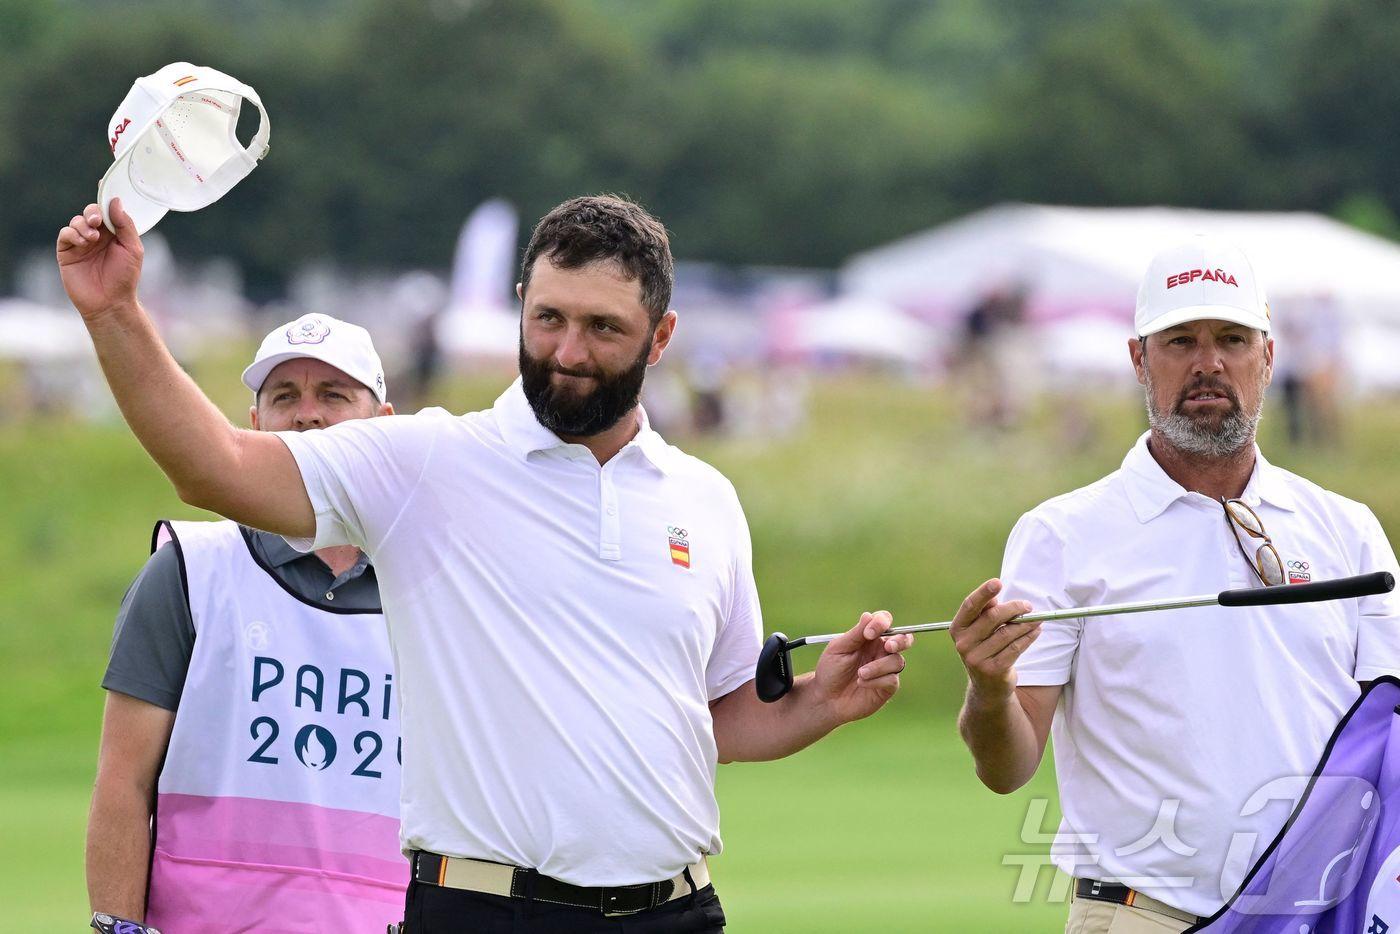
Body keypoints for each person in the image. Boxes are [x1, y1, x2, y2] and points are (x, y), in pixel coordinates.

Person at [58, 194, 912, 933]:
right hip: (486, 912)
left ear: (661, 338)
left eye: (603, 327)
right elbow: (214, 467)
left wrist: (820, 703)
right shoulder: (429, 462)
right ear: (519, 308)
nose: (568, 351)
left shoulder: (706, 501)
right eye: (548, 318)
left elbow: (712, 724)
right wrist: (115, 313)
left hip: (676, 910)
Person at [950, 236, 1400, 932]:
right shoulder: (1063, 534)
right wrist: (989, 689)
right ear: (1139, 359)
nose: (1209, 363)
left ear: (1269, 356)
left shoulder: (1348, 531)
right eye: (1180, 341)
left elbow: (1388, 736)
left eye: (1232, 339)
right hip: (1143, 914)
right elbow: (1007, 765)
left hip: (1315, 916)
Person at [85, 313, 404, 932]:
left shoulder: (434, 586)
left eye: (334, 395)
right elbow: (123, 785)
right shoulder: (190, 571)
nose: (307, 413)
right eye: (284, 396)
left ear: (382, 425)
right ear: (254, 425)